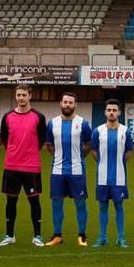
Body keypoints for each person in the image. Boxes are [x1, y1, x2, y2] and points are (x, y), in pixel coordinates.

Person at [0, 84, 48, 247]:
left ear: (30, 96)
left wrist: (29, 152)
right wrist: (14, 151)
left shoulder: (39, 117)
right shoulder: (7, 117)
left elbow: (41, 139)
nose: (21, 98)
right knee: (10, 202)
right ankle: (9, 235)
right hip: (11, 166)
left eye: (24, 95)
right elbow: (4, 138)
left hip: (31, 167)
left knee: (34, 202)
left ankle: (38, 235)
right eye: (18, 95)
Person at [44, 92, 92, 246]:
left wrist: (79, 158)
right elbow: (49, 145)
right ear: (60, 103)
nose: (67, 105)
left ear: (75, 105)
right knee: (57, 203)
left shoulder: (83, 123)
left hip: (77, 170)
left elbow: (88, 144)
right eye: (65, 102)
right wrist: (58, 158)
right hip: (57, 171)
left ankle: (82, 235)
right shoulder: (52, 124)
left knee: (80, 203)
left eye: (71, 102)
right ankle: (57, 235)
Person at [92, 99, 134, 248]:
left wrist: (119, 163)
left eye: (114, 110)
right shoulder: (98, 131)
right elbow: (94, 151)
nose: (111, 113)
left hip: (119, 177)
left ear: (119, 113)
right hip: (102, 176)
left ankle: (121, 238)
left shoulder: (125, 131)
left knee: (119, 207)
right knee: (103, 207)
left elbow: (129, 152)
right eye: (109, 110)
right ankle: (102, 237)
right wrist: (103, 163)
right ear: (105, 112)